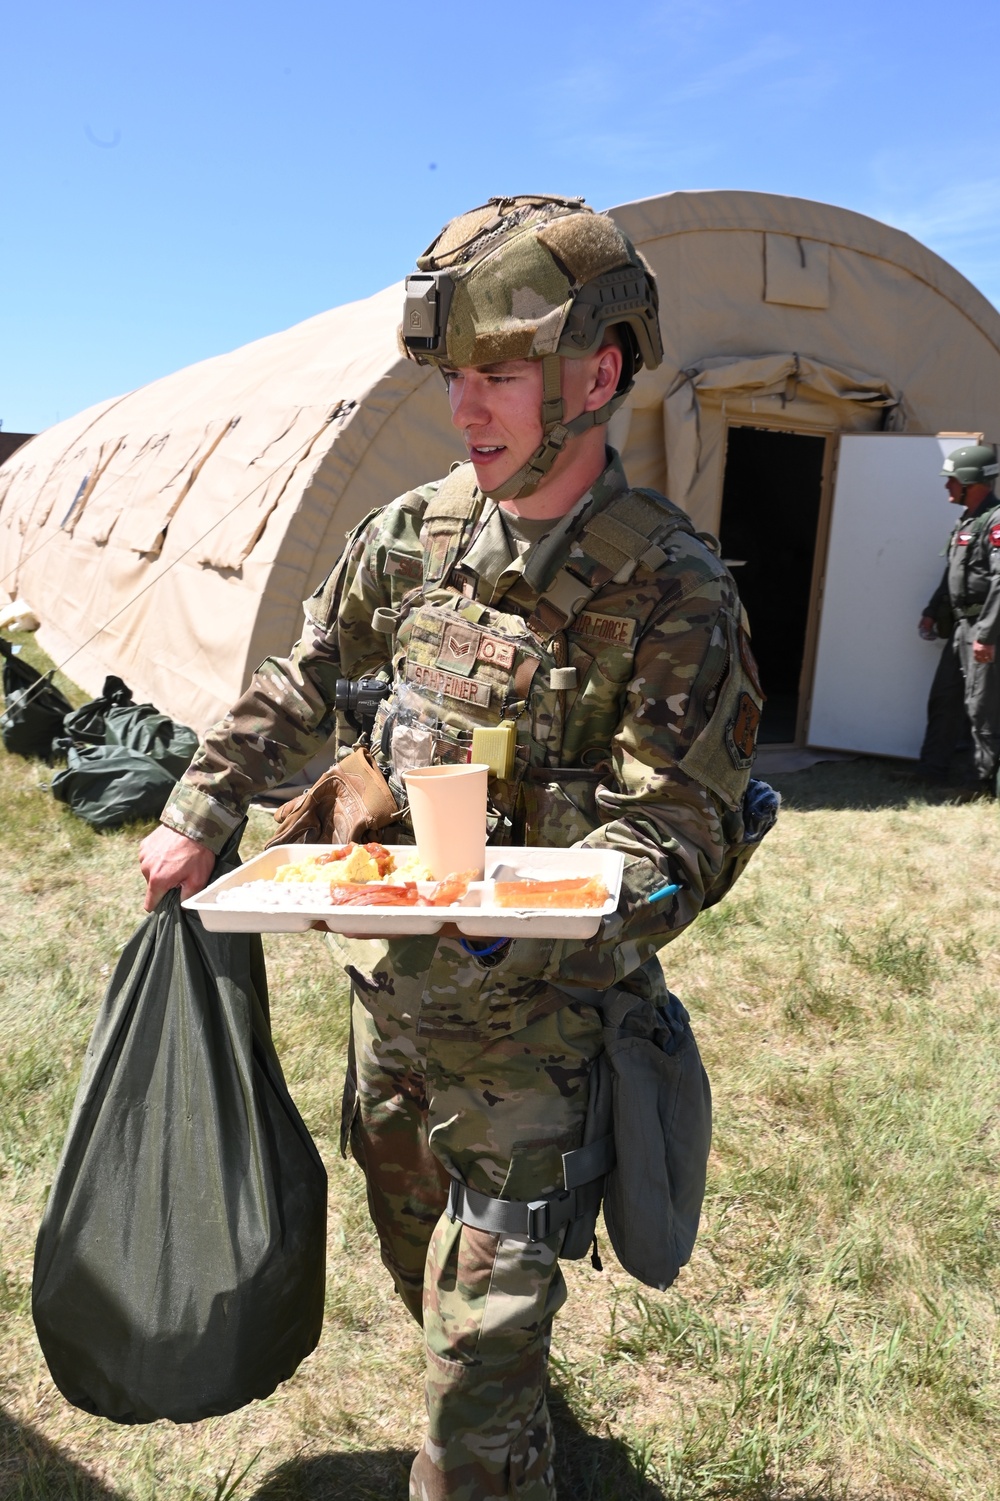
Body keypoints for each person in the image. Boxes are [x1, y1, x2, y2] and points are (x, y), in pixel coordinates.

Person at [139, 195, 763, 1501]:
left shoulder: (674, 592)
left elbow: (689, 830)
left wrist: (544, 900)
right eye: (454, 380)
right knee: (429, 1289)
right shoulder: (417, 538)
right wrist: (200, 814)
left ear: (597, 372)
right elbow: (305, 683)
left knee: (465, 1430)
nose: (466, 411)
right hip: (395, 1023)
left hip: (537, 1048)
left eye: (499, 377)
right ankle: (520, 1415)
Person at [916, 443, 1000, 794]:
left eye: (951, 479)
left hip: (983, 627)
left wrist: (988, 635)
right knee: (944, 700)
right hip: (959, 627)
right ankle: (932, 772)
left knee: (981, 707)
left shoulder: (996, 521)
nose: (947, 486)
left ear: (970, 480)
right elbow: (952, 571)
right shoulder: (966, 521)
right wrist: (932, 612)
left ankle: (980, 782)